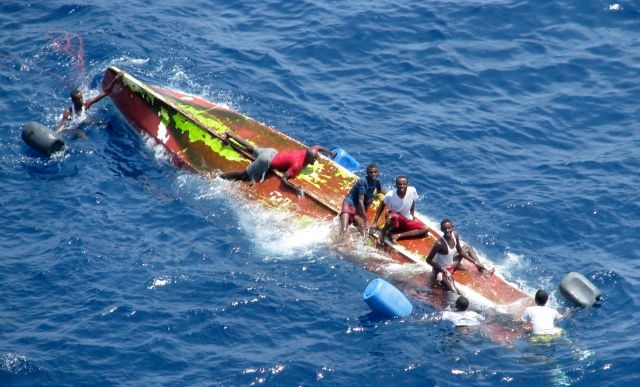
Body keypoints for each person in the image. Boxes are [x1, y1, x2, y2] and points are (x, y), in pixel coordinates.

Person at [217, 131, 334, 196]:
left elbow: (318, 148)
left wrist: (330, 153)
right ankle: (219, 177)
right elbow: (284, 179)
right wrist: (295, 189)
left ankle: (230, 135)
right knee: (244, 175)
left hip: (272, 151)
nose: (316, 159)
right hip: (266, 161)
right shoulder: (298, 164)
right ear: (309, 158)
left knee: (251, 148)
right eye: (314, 158)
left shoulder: (309, 151)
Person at [425, 218, 494, 294]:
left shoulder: (455, 235)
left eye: (449, 228)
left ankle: (483, 271)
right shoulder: (439, 244)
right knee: (453, 291)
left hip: (451, 265)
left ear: (452, 227)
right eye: (444, 228)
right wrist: (444, 270)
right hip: (441, 270)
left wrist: (475, 262)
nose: (447, 230)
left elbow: (460, 251)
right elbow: (428, 260)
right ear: (441, 229)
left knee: (467, 247)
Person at [56, 71, 123, 133]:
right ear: (73, 101)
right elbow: (62, 127)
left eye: (81, 98)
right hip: (72, 127)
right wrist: (56, 133)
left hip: (83, 121)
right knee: (81, 135)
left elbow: (105, 92)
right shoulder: (68, 112)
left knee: (103, 123)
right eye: (78, 99)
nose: (81, 100)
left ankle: (119, 133)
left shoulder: (86, 104)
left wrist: (116, 78)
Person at [372, 175, 429, 246]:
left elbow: (413, 201)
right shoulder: (390, 195)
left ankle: (398, 235)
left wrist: (412, 214)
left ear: (407, 184)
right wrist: (375, 222)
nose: (402, 186)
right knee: (393, 215)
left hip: (405, 218)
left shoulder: (412, 190)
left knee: (425, 229)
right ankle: (384, 232)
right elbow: (381, 206)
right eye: (399, 184)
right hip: (392, 218)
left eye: (404, 184)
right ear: (396, 185)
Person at [339, 163, 385, 238]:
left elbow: (380, 190)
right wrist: (366, 220)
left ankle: (363, 246)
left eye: (375, 172)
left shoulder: (376, 182)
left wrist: (390, 195)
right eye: (371, 172)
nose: (373, 174)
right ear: (367, 173)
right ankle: (338, 244)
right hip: (349, 204)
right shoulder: (362, 182)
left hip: (357, 208)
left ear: (378, 172)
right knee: (344, 230)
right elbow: (361, 201)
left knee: (363, 229)